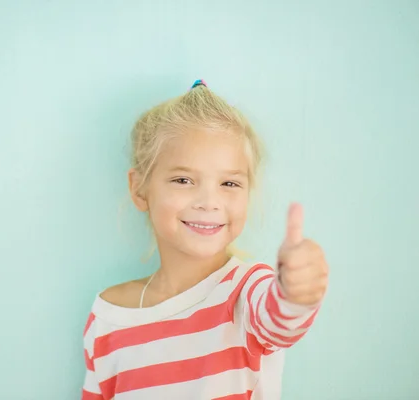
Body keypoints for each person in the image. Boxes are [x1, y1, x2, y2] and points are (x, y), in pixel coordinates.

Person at [81, 79, 329, 400]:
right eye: (183, 179)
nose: (209, 201)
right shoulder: (108, 317)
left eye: (229, 183)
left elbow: (281, 318)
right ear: (139, 189)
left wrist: (296, 293)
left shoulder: (247, 292)